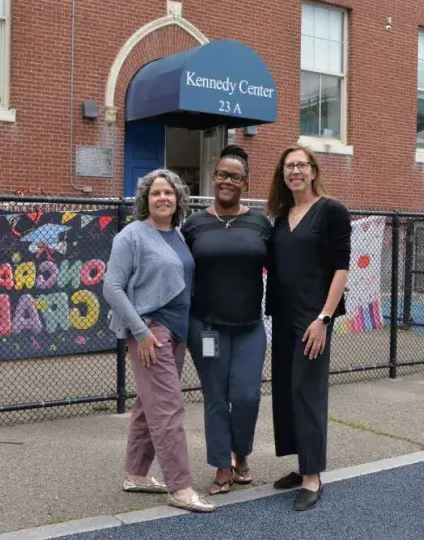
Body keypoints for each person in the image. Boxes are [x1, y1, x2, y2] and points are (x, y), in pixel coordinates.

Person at [102, 168, 215, 513]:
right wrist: (141, 332)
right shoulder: (132, 235)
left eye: (168, 192)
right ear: (145, 200)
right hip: (151, 332)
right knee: (168, 409)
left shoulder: (178, 235)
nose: (162, 198)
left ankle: (136, 474)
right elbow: (112, 287)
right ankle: (180, 487)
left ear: (178, 198)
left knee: (148, 405)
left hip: (178, 332)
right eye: (155, 193)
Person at [264, 144, 351, 511]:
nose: (295, 171)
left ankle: (313, 476)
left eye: (301, 165)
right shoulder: (282, 216)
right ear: (283, 175)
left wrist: (324, 319)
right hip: (283, 317)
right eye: (289, 166)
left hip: (312, 318)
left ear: (313, 171)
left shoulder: (331, 211)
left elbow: (341, 269)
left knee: (308, 392)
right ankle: (300, 467)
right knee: (285, 392)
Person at [181, 145, 272, 496]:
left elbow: (282, 270)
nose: (227, 181)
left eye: (235, 176)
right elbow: (177, 269)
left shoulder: (260, 223)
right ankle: (222, 467)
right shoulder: (194, 224)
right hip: (207, 329)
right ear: (213, 177)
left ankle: (241, 454)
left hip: (250, 327)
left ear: (246, 184)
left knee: (247, 396)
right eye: (222, 174)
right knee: (216, 397)